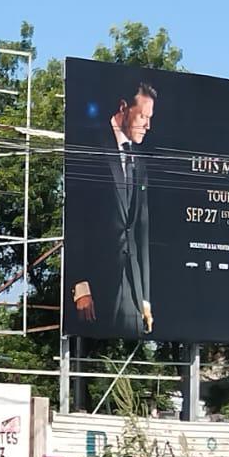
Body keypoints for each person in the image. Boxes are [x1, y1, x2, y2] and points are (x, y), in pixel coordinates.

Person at [71, 81, 156, 338]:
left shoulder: (139, 161)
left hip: (131, 285)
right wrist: (81, 285)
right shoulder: (89, 142)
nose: (147, 126)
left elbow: (140, 229)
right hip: (94, 284)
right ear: (123, 107)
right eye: (143, 116)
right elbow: (76, 214)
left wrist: (145, 298)